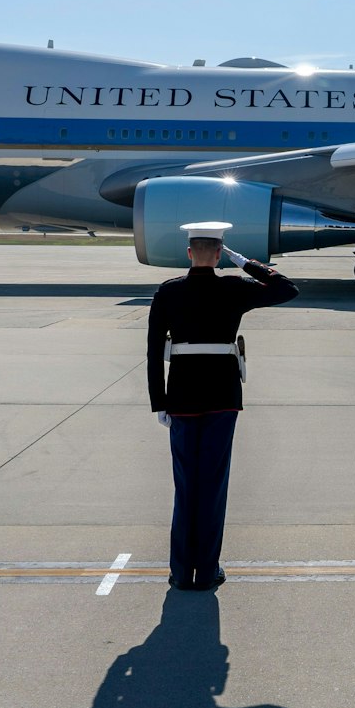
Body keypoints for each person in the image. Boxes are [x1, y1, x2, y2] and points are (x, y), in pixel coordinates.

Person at [147, 220, 298, 590]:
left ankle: (182, 571)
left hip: (181, 396)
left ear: (188, 253)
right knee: (212, 485)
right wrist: (245, 262)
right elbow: (287, 289)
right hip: (221, 398)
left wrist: (158, 402)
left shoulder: (169, 291)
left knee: (186, 486)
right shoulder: (232, 287)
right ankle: (207, 568)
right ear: (218, 254)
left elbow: (152, 351)